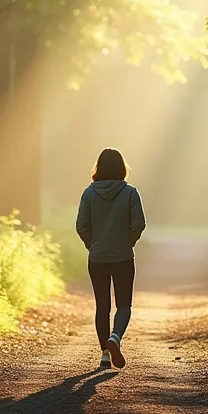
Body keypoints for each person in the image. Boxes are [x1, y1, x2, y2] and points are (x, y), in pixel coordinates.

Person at [76, 147, 146, 369]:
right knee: (123, 304)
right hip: (123, 257)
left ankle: (105, 355)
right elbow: (139, 223)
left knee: (102, 306)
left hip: (97, 258)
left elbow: (81, 226)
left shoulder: (88, 193)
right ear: (122, 168)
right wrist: (128, 242)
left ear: (98, 168)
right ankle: (115, 337)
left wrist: (92, 244)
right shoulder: (131, 192)